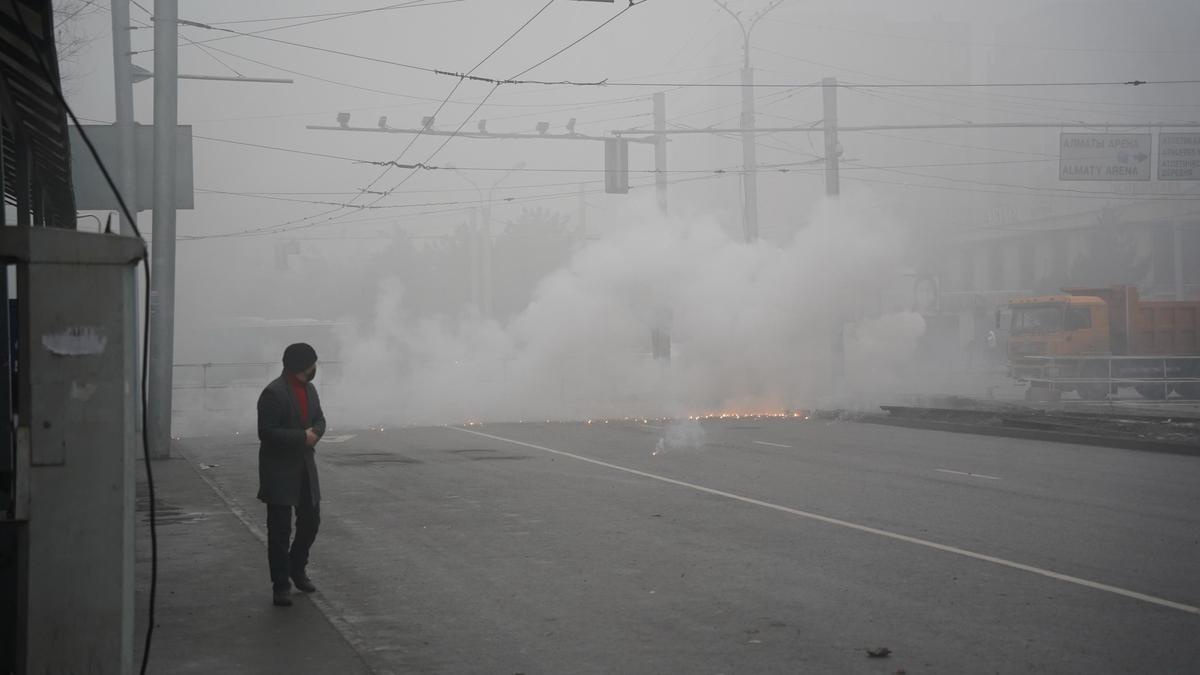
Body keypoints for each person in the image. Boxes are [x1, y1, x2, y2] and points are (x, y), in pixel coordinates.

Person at [257, 343, 326, 607]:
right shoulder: (273, 393)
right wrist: (302, 437)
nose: (314, 369)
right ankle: (281, 584)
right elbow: (267, 432)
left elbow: (320, 419)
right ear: (301, 366)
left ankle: (298, 568)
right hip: (280, 472)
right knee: (279, 531)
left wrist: (315, 434)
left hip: (305, 469)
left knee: (311, 522)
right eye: (311, 364)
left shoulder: (309, 390)